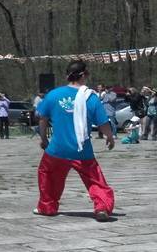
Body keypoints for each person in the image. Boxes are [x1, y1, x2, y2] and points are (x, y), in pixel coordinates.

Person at [34, 60, 116, 222]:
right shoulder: (90, 97)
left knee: (48, 175)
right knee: (95, 180)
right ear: (84, 75)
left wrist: (44, 139)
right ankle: (102, 207)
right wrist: (110, 137)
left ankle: (47, 206)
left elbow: (42, 119)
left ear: (67, 76)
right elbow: (103, 123)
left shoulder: (53, 95)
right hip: (82, 150)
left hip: (57, 149)